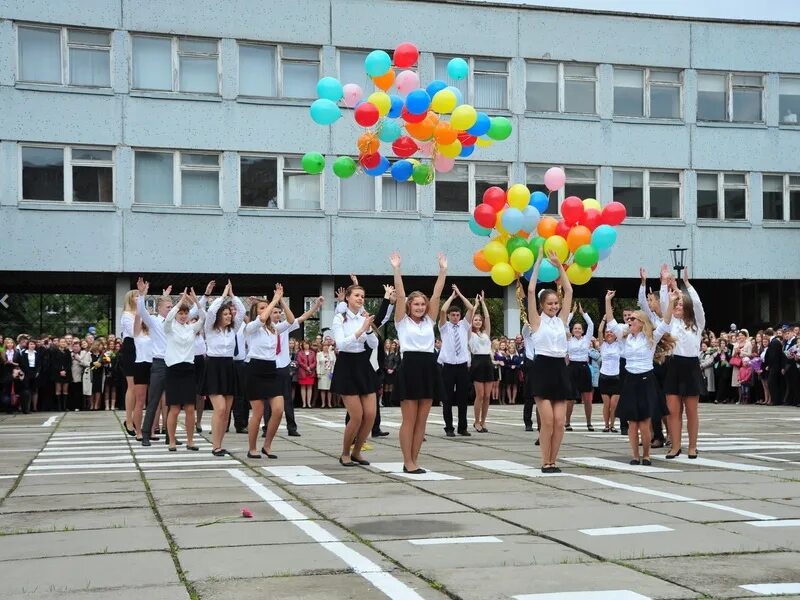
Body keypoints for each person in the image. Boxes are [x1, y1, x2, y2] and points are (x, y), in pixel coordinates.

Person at [391, 250, 447, 474]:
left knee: (422, 422)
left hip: (429, 368)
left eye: (422, 305)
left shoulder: (429, 321)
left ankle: (414, 459)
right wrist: (397, 270)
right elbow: (401, 296)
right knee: (409, 419)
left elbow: (436, 295)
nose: (420, 307)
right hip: (410, 368)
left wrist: (443, 271)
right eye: (416, 305)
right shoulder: (401, 322)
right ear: (409, 306)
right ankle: (407, 460)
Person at [606, 289, 675, 465]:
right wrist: (608, 301)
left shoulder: (650, 338)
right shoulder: (625, 337)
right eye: (628, 319)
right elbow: (612, 323)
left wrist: (672, 302)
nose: (629, 321)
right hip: (630, 380)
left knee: (644, 422)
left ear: (641, 322)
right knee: (632, 423)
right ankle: (635, 456)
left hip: (646, 379)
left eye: (632, 319)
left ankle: (646, 455)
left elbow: (666, 322)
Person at [526, 249, 573, 473]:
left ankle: (554, 460)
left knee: (560, 423)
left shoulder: (561, 321)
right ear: (542, 306)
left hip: (560, 370)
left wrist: (559, 265)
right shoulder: (537, 322)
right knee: (547, 422)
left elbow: (570, 290)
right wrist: (537, 263)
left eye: (556, 303)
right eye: (549, 304)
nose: (554, 307)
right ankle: (545, 461)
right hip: (543, 368)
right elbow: (531, 289)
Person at [659, 264, 705, 459]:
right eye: (676, 305)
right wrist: (664, 284)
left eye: (680, 306)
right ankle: (675, 446)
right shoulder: (672, 324)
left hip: (691, 366)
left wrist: (686, 285)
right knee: (673, 411)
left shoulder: (697, 324)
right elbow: (664, 306)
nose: (677, 308)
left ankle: (692, 446)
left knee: (692, 410)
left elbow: (698, 305)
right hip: (674, 366)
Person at [331, 282, 378, 467]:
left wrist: (368, 328)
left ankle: (357, 451)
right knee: (356, 416)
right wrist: (360, 331)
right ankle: (345, 453)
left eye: (362, 296)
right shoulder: (339, 319)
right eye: (357, 295)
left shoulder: (363, 318)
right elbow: (341, 345)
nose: (360, 298)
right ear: (348, 298)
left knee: (371, 415)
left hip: (363, 364)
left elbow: (374, 344)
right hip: (347, 365)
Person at [244, 285, 292, 460]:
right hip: (255, 369)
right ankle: (252, 448)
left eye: (268, 308)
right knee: (257, 412)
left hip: (271, 369)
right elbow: (263, 317)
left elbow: (292, 320)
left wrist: (281, 301)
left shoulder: (274, 329)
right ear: (255, 312)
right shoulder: (251, 327)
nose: (267, 311)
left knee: (278, 410)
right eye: (262, 308)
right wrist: (272, 301)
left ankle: (267, 445)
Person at [204, 280, 245, 456]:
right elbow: (212, 310)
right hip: (214, 367)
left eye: (230, 314)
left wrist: (233, 296)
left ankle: (219, 444)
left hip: (229, 367)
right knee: (219, 409)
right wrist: (222, 296)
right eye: (226, 314)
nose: (229, 316)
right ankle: (215, 446)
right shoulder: (210, 328)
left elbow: (242, 311)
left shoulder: (233, 330)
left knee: (226, 411)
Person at [162, 288, 204, 452]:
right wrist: (180, 302)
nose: (183, 315)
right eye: (181, 313)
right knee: (174, 408)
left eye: (185, 313)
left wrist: (195, 301)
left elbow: (204, 317)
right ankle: (172, 441)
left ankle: (190, 441)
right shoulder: (170, 328)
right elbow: (169, 317)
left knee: (189, 408)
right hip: (173, 370)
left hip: (188, 369)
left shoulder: (191, 328)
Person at [136, 279, 174, 447]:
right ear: (159, 308)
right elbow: (142, 311)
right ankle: (145, 434)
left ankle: (170, 435)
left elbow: (193, 313)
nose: (171, 309)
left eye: (171, 307)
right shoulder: (154, 321)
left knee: (172, 402)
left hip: (174, 363)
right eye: (168, 307)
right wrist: (142, 294)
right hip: (159, 363)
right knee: (153, 401)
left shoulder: (175, 322)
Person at [437, 285, 475, 437]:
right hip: (448, 366)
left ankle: (462, 427)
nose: (455, 317)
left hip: (461, 366)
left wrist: (459, 293)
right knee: (447, 398)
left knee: (462, 398)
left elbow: (471, 308)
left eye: (457, 315)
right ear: (449, 316)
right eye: (452, 315)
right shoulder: (444, 327)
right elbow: (442, 311)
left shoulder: (464, 326)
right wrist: (451, 297)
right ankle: (449, 427)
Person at [566, 304, 595, 431]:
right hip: (572, 367)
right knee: (570, 398)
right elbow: (565, 324)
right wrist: (572, 313)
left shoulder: (586, 339)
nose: (577, 330)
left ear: (583, 331)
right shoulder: (568, 339)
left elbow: (591, 325)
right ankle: (567, 422)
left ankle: (589, 422)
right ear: (572, 331)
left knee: (587, 398)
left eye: (579, 328)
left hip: (584, 367)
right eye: (575, 328)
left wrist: (584, 314)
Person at [468, 291, 493, 432]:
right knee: (480, 395)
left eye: (479, 320)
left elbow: (488, 318)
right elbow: (468, 319)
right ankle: (476, 421)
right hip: (477, 362)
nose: (478, 321)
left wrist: (483, 303)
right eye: (475, 320)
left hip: (487, 363)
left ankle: (483, 421)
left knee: (488, 396)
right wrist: (475, 305)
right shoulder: (469, 333)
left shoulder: (485, 334)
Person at [597, 319, 622, 432]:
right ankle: (606, 425)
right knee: (606, 404)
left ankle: (612, 425)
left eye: (611, 332)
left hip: (616, 377)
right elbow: (599, 330)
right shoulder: (603, 345)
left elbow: (622, 332)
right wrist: (604, 319)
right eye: (607, 332)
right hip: (604, 377)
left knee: (614, 405)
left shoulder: (619, 345)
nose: (609, 334)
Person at [119, 289, 138, 435]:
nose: (138, 298)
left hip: (142, 348)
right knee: (131, 387)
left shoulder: (142, 314)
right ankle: (129, 420)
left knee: (141, 388)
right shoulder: (126, 315)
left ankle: (136, 418)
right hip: (131, 348)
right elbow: (133, 332)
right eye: (136, 296)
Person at [132, 313, 152, 440]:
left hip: (154, 364)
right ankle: (138, 431)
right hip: (141, 365)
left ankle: (152, 430)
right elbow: (137, 319)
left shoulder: (156, 333)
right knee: (140, 400)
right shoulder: (138, 333)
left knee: (154, 401)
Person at [297, 340, 317, 408]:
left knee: (310, 387)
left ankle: (309, 403)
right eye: (305, 344)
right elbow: (299, 362)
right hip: (302, 372)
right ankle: (304, 403)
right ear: (302, 345)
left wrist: (310, 367)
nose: (306, 346)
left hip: (311, 372)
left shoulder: (313, 352)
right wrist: (306, 367)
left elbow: (315, 362)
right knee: (303, 387)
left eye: (307, 344)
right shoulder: (300, 353)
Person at [316, 340, 336, 408]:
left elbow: (334, 363)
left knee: (329, 389)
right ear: (322, 347)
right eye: (324, 346)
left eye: (327, 346)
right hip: (322, 373)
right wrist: (318, 373)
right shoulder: (319, 354)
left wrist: (333, 372)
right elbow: (318, 364)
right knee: (323, 388)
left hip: (330, 373)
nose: (326, 347)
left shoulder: (332, 354)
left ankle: (329, 403)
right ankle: (323, 403)